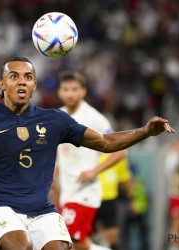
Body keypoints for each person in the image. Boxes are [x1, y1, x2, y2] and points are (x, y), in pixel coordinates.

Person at [0, 56, 175, 250]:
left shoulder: (54, 120)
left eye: (28, 77)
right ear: (1, 84)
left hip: (43, 209)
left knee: (62, 247)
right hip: (2, 207)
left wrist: (145, 131)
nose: (21, 82)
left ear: (35, 85)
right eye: (14, 76)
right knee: (22, 246)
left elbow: (105, 142)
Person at [54, 71, 127, 250]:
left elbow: (121, 150)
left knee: (64, 242)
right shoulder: (58, 116)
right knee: (80, 244)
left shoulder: (93, 118)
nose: (70, 93)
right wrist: (55, 178)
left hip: (84, 193)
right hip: (67, 192)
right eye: (66, 89)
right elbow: (62, 154)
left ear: (83, 91)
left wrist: (94, 171)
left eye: (74, 89)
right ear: (59, 92)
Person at [93, 153, 132, 250]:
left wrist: (131, 199)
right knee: (85, 237)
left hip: (109, 201)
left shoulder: (117, 155)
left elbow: (125, 180)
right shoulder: (90, 154)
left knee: (112, 237)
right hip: (91, 200)